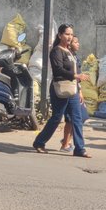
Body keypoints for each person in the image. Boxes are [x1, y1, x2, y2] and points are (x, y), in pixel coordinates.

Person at [33, 24, 91, 158]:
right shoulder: (56, 51)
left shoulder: (70, 52)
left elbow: (75, 69)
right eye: (67, 34)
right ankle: (39, 142)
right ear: (60, 35)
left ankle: (80, 149)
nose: (69, 37)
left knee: (77, 118)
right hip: (60, 89)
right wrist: (76, 76)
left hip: (73, 89)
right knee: (56, 118)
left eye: (71, 34)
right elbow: (58, 69)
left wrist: (79, 87)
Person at [60, 35, 88, 153]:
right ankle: (66, 144)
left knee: (82, 116)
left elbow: (78, 78)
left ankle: (67, 141)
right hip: (67, 90)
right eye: (75, 42)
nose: (78, 44)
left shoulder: (75, 57)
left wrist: (80, 91)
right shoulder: (66, 56)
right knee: (70, 118)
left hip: (75, 90)